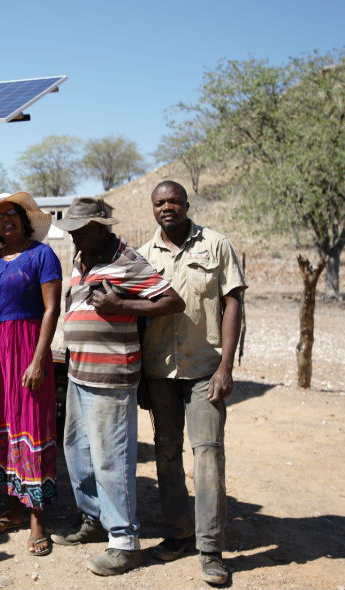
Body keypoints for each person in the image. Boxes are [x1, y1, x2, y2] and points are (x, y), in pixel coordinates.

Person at [51, 197, 185, 576]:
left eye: (80, 231)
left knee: (112, 457)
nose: (74, 237)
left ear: (99, 227)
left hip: (111, 374)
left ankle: (124, 541)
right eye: (72, 231)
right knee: (77, 450)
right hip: (80, 371)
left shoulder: (128, 261)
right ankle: (94, 519)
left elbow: (172, 301)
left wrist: (121, 305)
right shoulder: (82, 258)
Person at [137, 180, 247, 586]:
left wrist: (226, 367)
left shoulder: (216, 245)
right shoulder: (144, 255)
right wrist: (140, 377)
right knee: (166, 452)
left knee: (208, 454)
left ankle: (211, 549)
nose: (167, 207)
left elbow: (233, 301)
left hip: (205, 368)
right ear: (153, 208)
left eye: (174, 201)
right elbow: (137, 316)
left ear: (186, 204)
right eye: (159, 202)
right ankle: (178, 534)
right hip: (159, 370)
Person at [0, 192, 62, 557]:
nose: (5, 221)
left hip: (25, 346)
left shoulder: (42, 255)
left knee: (31, 423)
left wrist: (38, 359)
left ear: (24, 220)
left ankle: (38, 518)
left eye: (11, 215)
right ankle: (14, 507)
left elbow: (52, 309)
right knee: (1, 421)